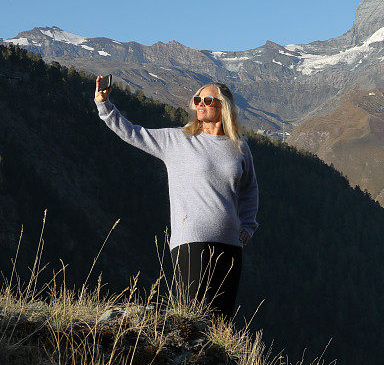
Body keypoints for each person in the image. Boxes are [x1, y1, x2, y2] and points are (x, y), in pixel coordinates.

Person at [93, 77, 259, 319]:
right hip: (191, 240)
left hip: (231, 243)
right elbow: (132, 133)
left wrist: (248, 225)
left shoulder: (239, 147)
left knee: (221, 321)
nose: (200, 104)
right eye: (197, 100)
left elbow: (249, 189)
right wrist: (104, 105)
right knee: (192, 318)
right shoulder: (178, 140)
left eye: (208, 100)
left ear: (223, 107)